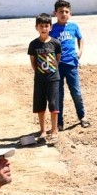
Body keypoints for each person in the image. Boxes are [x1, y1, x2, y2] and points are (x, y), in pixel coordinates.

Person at [50, 0, 88, 129]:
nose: (64, 14)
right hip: (57, 66)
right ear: (55, 13)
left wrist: (80, 51)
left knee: (76, 92)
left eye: (66, 12)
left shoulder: (74, 27)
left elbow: (80, 38)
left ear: (70, 14)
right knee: (58, 94)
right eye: (61, 11)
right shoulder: (52, 29)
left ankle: (82, 117)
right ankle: (59, 122)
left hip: (71, 64)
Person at [28, 14, 62, 144]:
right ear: (36, 27)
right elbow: (33, 62)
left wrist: (51, 72)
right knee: (40, 105)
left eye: (46, 26)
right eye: (41, 26)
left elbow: (57, 59)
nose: (44, 28)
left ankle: (54, 130)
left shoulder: (55, 43)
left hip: (53, 79)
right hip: (39, 79)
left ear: (50, 27)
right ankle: (42, 130)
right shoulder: (33, 44)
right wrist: (40, 73)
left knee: (53, 104)